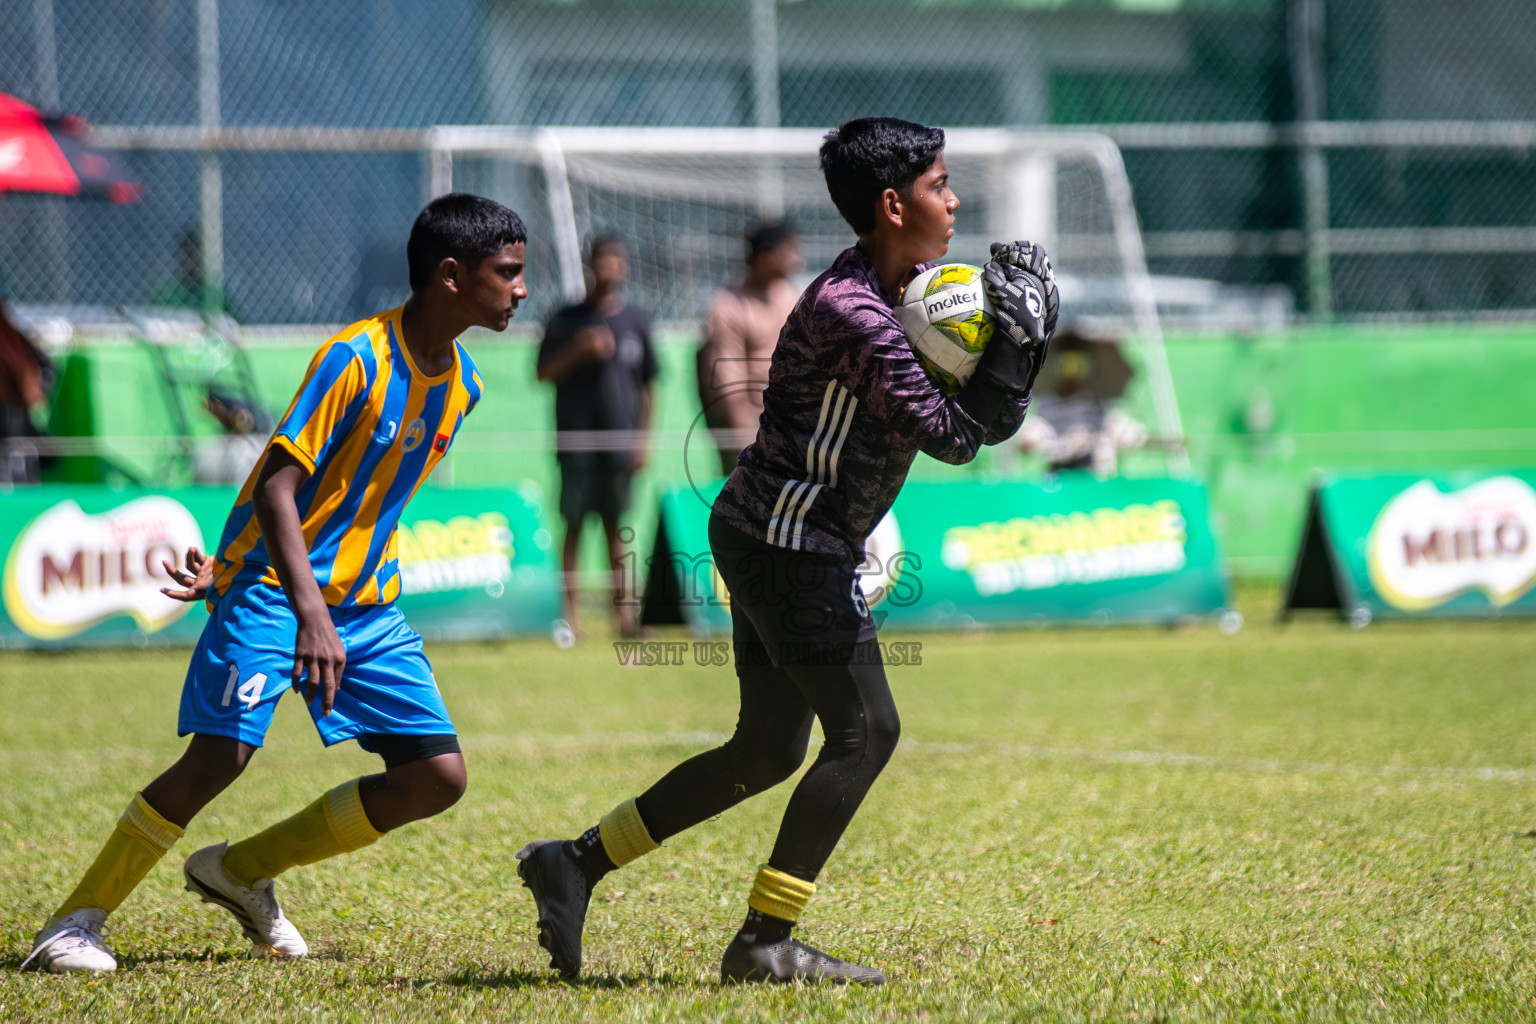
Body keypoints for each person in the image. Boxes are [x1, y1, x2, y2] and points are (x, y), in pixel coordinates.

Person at [515, 118, 1058, 985]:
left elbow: (978, 421)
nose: (954, 201)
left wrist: (1011, 345)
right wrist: (1020, 350)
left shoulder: (920, 287)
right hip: (788, 540)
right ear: (892, 204)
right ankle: (764, 941)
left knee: (767, 751)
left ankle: (572, 863)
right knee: (867, 732)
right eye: (939, 184)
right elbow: (958, 438)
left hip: (782, 535)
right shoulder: (854, 312)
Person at [23, 193, 529, 974]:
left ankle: (240, 871)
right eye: (510, 273)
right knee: (220, 756)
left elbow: (361, 500)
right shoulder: (355, 358)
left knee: (437, 777)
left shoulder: (462, 386)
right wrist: (281, 598)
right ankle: (71, 924)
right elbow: (277, 489)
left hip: (364, 606)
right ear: (453, 276)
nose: (522, 289)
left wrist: (327, 609)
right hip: (276, 592)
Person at [536, 236, 658, 639]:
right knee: (573, 526)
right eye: (602, 258)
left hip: (619, 445)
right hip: (575, 444)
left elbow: (649, 386)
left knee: (616, 529)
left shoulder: (636, 320)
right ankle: (570, 620)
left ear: (624, 266)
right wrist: (577, 350)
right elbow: (542, 374)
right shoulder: (566, 318)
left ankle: (624, 620)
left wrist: (642, 440)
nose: (609, 265)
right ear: (589, 264)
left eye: (616, 258)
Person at [697, 223, 803, 474]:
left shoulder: (788, 295)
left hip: (790, 430)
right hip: (750, 434)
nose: (797, 260)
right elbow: (728, 385)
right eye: (789, 252)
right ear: (766, 256)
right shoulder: (727, 307)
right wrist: (747, 449)